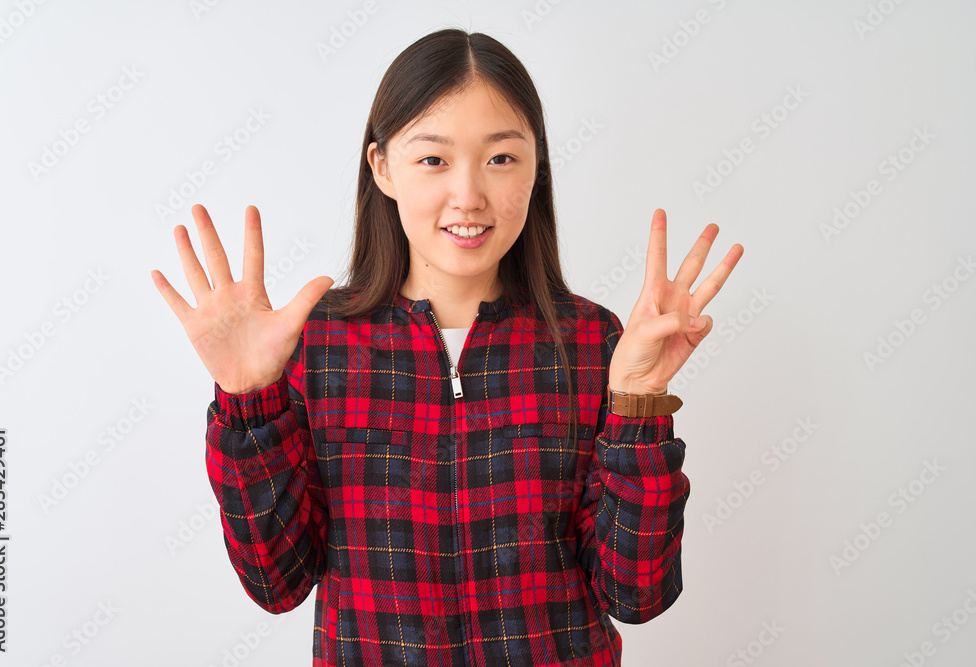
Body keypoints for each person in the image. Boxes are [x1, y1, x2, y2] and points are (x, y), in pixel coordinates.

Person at [151, 27, 742, 667]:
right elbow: (278, 583)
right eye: (433, 160)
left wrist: (639, 403)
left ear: (537, 166)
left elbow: (636, 595)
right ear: (382, 167)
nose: (469, 196)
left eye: (501, 158)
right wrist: (249, 402)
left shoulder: (594, 343)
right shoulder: (316, 345)